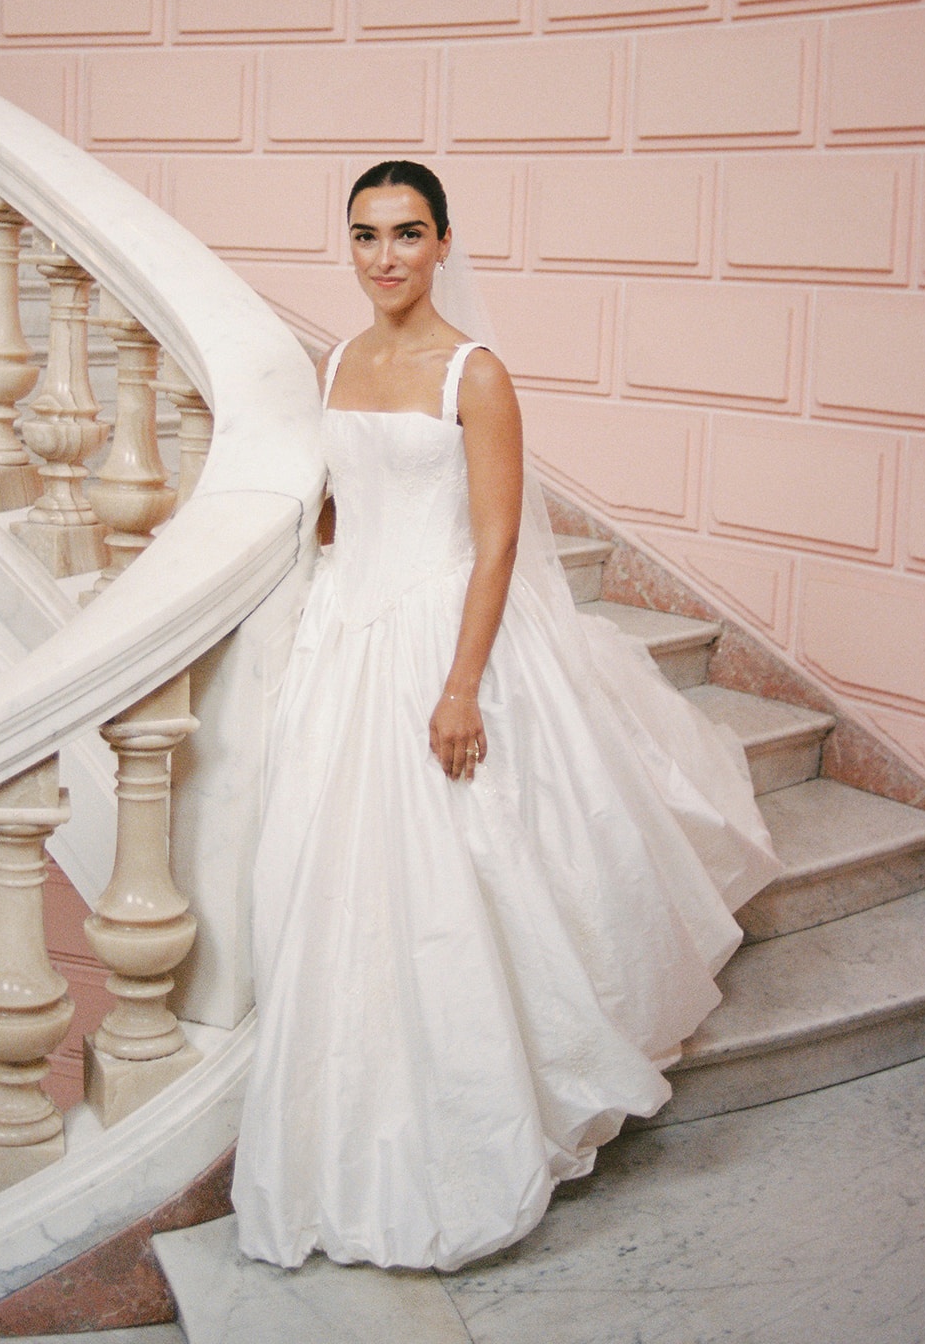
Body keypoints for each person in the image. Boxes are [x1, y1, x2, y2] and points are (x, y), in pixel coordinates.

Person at [230, 160, 779, 1272]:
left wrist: (458, 683)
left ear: (442, 245)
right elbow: (342, 504)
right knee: (336, 872)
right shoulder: (337, 359)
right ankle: (355, 1093)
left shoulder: (472, 374)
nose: (384, 255)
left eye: (407, 232)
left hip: (443, 634)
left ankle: (478, 1102)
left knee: (454, 871)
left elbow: (494, 541)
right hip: (348, 634)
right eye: (365, 234)